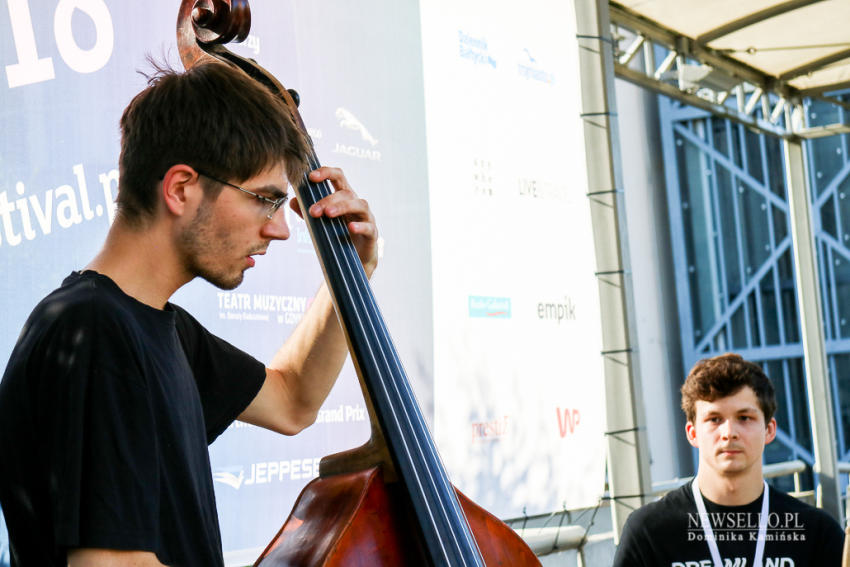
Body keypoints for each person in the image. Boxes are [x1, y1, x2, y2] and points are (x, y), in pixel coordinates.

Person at [0, 61, 378, 567]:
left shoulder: (161, 327)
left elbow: (293, 401)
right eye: (265, 200)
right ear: (181, 188)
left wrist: (350, 274)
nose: (280, 230)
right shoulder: (96, 331)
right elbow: (112, 564)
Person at [613, 353, 844, 567]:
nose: (729, 432)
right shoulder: (650, 532)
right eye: (714, 419)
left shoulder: (815, 532)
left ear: (769, 430)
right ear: (692, 433)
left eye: (744, 417)